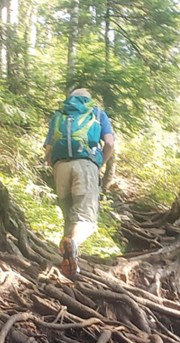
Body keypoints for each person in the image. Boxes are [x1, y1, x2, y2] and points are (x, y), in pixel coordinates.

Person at [43, 88, 115, 279]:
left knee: (69, 216)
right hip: (85, 165)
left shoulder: (60, 114)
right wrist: (99, 162)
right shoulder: (97, 113)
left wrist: (57, 165)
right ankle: (72, 244)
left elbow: (48, 150)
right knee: (86, 220)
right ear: (88, 100)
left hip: (60, 167)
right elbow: (109, 143)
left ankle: (68, 266)